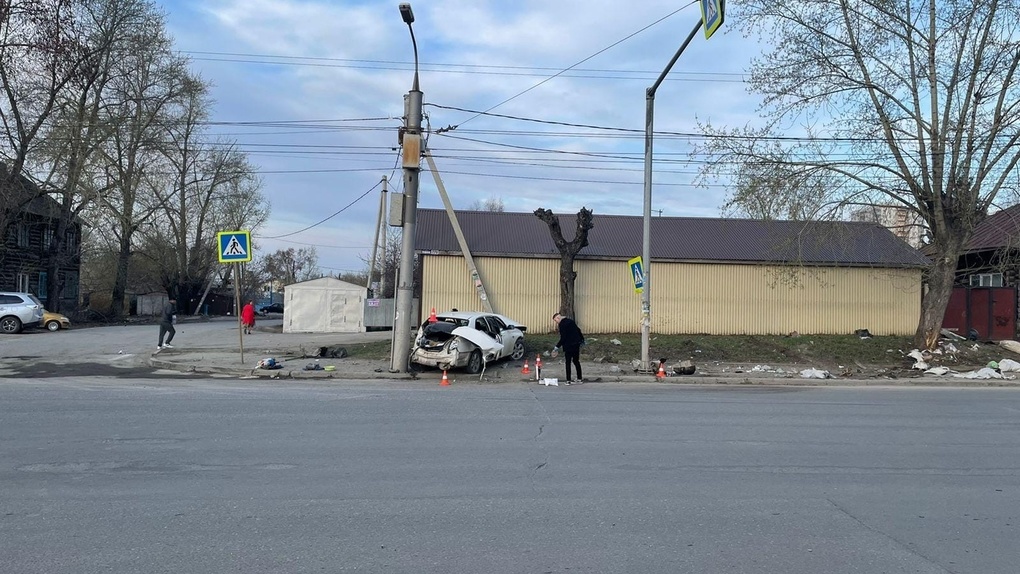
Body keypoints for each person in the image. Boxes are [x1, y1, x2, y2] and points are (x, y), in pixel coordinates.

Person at [551, 312, 585, 383]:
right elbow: (578, 330)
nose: (556, 322)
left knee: (568, 362)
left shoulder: (562, 325)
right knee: (576, 361)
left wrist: (557, 346)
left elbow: (563, 338)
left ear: (558, 318)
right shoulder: (571, 321)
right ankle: (579, 378)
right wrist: (582, 340)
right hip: (576, 344)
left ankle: (568, 380)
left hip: (568, 346)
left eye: (555, 320)